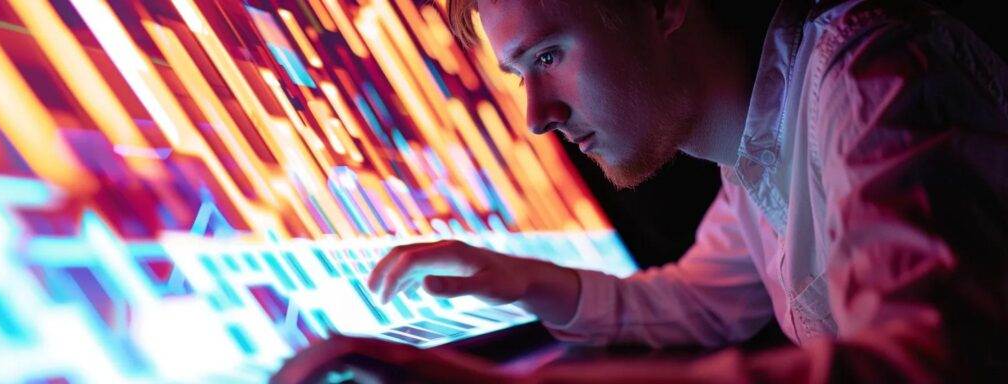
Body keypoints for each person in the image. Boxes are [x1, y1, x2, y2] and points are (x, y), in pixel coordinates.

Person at [275, 0, 1008, 382]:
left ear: (661, 7)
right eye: (520, 75)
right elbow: (702, 300)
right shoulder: (750, 155)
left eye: (549, 56)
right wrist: (521, 280)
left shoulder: (873, 71)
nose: (536, 116)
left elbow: (933, 363)